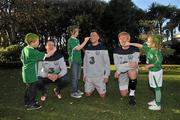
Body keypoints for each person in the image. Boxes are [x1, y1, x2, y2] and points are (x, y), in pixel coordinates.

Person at [127, 34, 163, 110]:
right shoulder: (148, 48)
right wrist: (129, 43)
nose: (146, 43)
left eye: (149, 42)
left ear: (154, 44)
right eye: (147, 41)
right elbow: (139, 45)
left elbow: (158, 62)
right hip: (152, 71)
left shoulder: (157, 52)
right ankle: (156, 100)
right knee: (153, 87)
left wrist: (148, 66)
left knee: (157, 88)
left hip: (156, 72)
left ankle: (158, 105)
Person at [21, 33, 56, 110]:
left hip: (26, 72)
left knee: (29, 88)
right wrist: (53, 50)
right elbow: (46, 55)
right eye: (37, 41)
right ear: (32, 42)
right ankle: (31, 104)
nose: (38, 43)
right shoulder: (32, 51)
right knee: (32, 89)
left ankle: (27, 102)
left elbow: (22, 59)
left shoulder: (25, 49)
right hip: (31, 73)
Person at [113, 32, 140, 105]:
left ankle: (132, 95)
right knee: (123, 94)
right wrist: (127, 65)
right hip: (122, 72)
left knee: (132, 72)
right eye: (120, 38)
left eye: (124, 38)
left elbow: (134, 65)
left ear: (128, 39)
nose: (122, 40)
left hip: (130, 70)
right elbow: (117, 65)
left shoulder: (135, 49)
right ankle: (130, 84)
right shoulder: (116, 50)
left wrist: (118, 71)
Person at [83, 30, 110, 98]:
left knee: (102, 96)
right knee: (87, 94)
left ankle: (98, 86)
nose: (92, 37)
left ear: (98, 37)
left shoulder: (103, 48)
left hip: (100, 77)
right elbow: (85, 63)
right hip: (89, 76)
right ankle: (92, 87)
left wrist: (106, 76)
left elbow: (107, 63)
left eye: (94, 35)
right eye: (91, 35)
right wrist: (84, 74)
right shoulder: (87, 48)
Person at [67, 25, 90, 98]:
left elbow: (81, 48)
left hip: (78, 60)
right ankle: (73, 92)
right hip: (73, 60)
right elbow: (78, 48)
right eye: (76, 31)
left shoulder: (77, 40)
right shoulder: (70, 40)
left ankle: (76, 90)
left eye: (78, 31)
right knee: (74, 77)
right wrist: (85, 41)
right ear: (71, 32)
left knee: (77, 77)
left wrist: (86, 51)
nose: (77, 33)